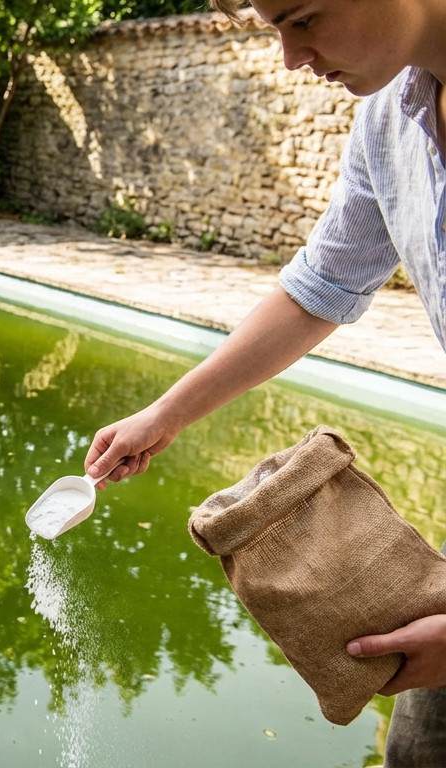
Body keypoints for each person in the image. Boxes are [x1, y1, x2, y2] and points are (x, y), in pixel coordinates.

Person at [83, 0, 445, 761]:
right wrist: (166, 414)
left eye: (303, 19)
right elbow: (321, 286)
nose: (288, 58)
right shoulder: (388, 119)